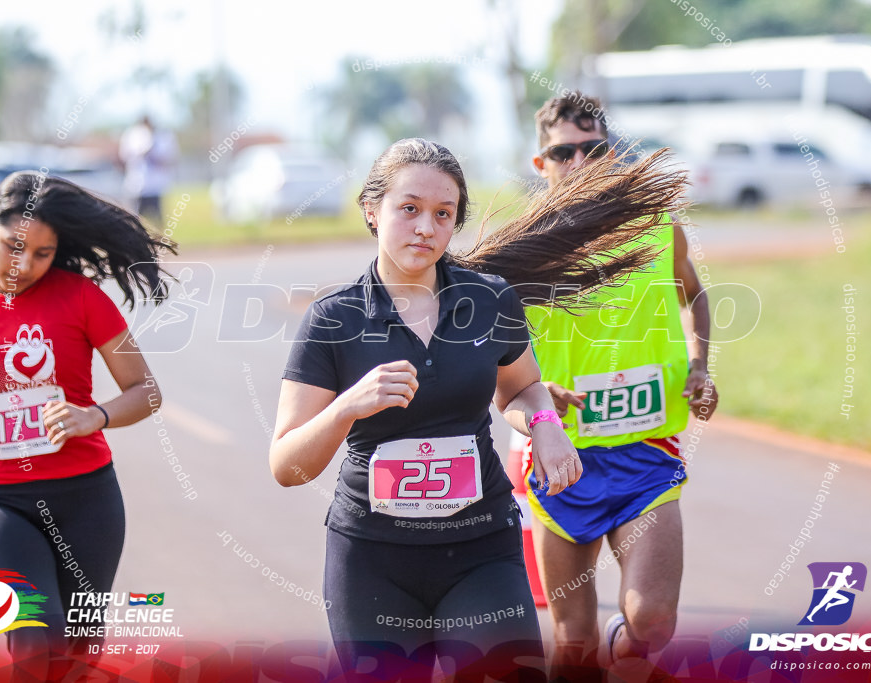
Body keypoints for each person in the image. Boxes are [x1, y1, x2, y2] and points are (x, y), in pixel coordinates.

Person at [270, 138, 687, 681]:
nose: (426, 227)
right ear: (372, 211)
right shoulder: (334, 318)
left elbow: (521, 390)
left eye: (443, 214)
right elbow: (287, 465)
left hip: (480, 548)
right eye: (409, 208)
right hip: (372, 559)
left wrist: (546, 427)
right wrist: (346, 407)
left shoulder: (489, 299)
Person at [0, 170, 174, 679]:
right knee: (36, 639)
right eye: (14, 246)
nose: (26, 265)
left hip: (86, 499)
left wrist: (93, 416)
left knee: (79, 651)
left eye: (42, 253)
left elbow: (146, 391)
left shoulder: (81, 298)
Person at [521, 92, 719, 679]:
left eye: (595, 149)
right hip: (563, 461)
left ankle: (625, 646)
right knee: (573, 644)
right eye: (563, 152)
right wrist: (536, 396)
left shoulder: (659, 230)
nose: (580, 163)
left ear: (612, 153)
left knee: (653, 623)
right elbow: (495, 355)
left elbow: (696, 295)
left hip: (646, 456)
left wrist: (701, 365)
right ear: (542, 163)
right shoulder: (522, 251)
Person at [119, 115, 179, 223]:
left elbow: (170, 159)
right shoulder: (132, 135)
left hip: (155, 187)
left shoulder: (163, 137)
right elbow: (124, 156)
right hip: (136, 186)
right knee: (135, 221)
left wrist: (154, 155)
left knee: (157, 221)